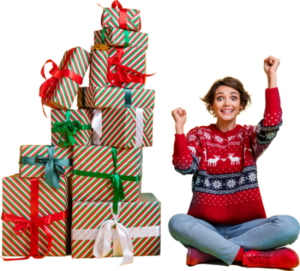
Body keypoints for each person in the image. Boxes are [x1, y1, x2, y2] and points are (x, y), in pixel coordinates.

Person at [167, 54, 300, 269]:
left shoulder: (249, 135)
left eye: (233, 97)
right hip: (206, 226)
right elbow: (182, 167)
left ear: (241, 104)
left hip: (248, 227)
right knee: (176, 222)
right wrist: (180, 129)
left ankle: (209, 252)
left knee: (290, 225)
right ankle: (246, 256)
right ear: (212, 104)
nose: (226, 102)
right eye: (220, 98)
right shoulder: (198, 134)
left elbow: (272, 124)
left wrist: (272, 76)